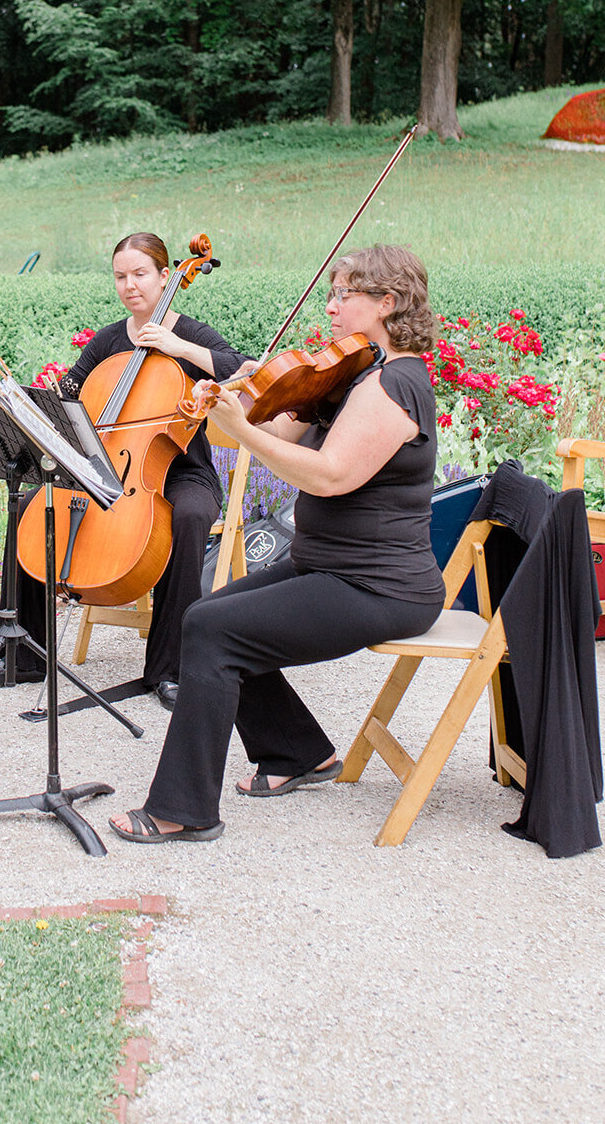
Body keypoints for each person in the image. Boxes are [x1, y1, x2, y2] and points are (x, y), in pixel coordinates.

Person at [109, 244, 446, 842]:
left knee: (216, 632)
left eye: (346, 295)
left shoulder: (396, 384)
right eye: (334, 293)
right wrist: (229, 402)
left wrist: (243, 428)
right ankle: (297, 753)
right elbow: (264, 433)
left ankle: (182, 809)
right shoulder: (353, 375)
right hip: (327, 565)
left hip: (378, 586)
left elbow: (330, 474)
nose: (333, 306)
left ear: (387, 303)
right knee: (206, 614)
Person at [0, 232, 247, 708]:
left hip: (183, 471)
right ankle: (24, 652)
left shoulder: (193, 335)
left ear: (166, 277)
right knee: (32, 507)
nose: (129, 285)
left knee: (190, 517)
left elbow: (245, 371)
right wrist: (54, 398)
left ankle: (169, 669)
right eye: (120, 276)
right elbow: (71, 392)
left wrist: (178, 348)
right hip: (111, 465)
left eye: (140, 274)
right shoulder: (109, 340)